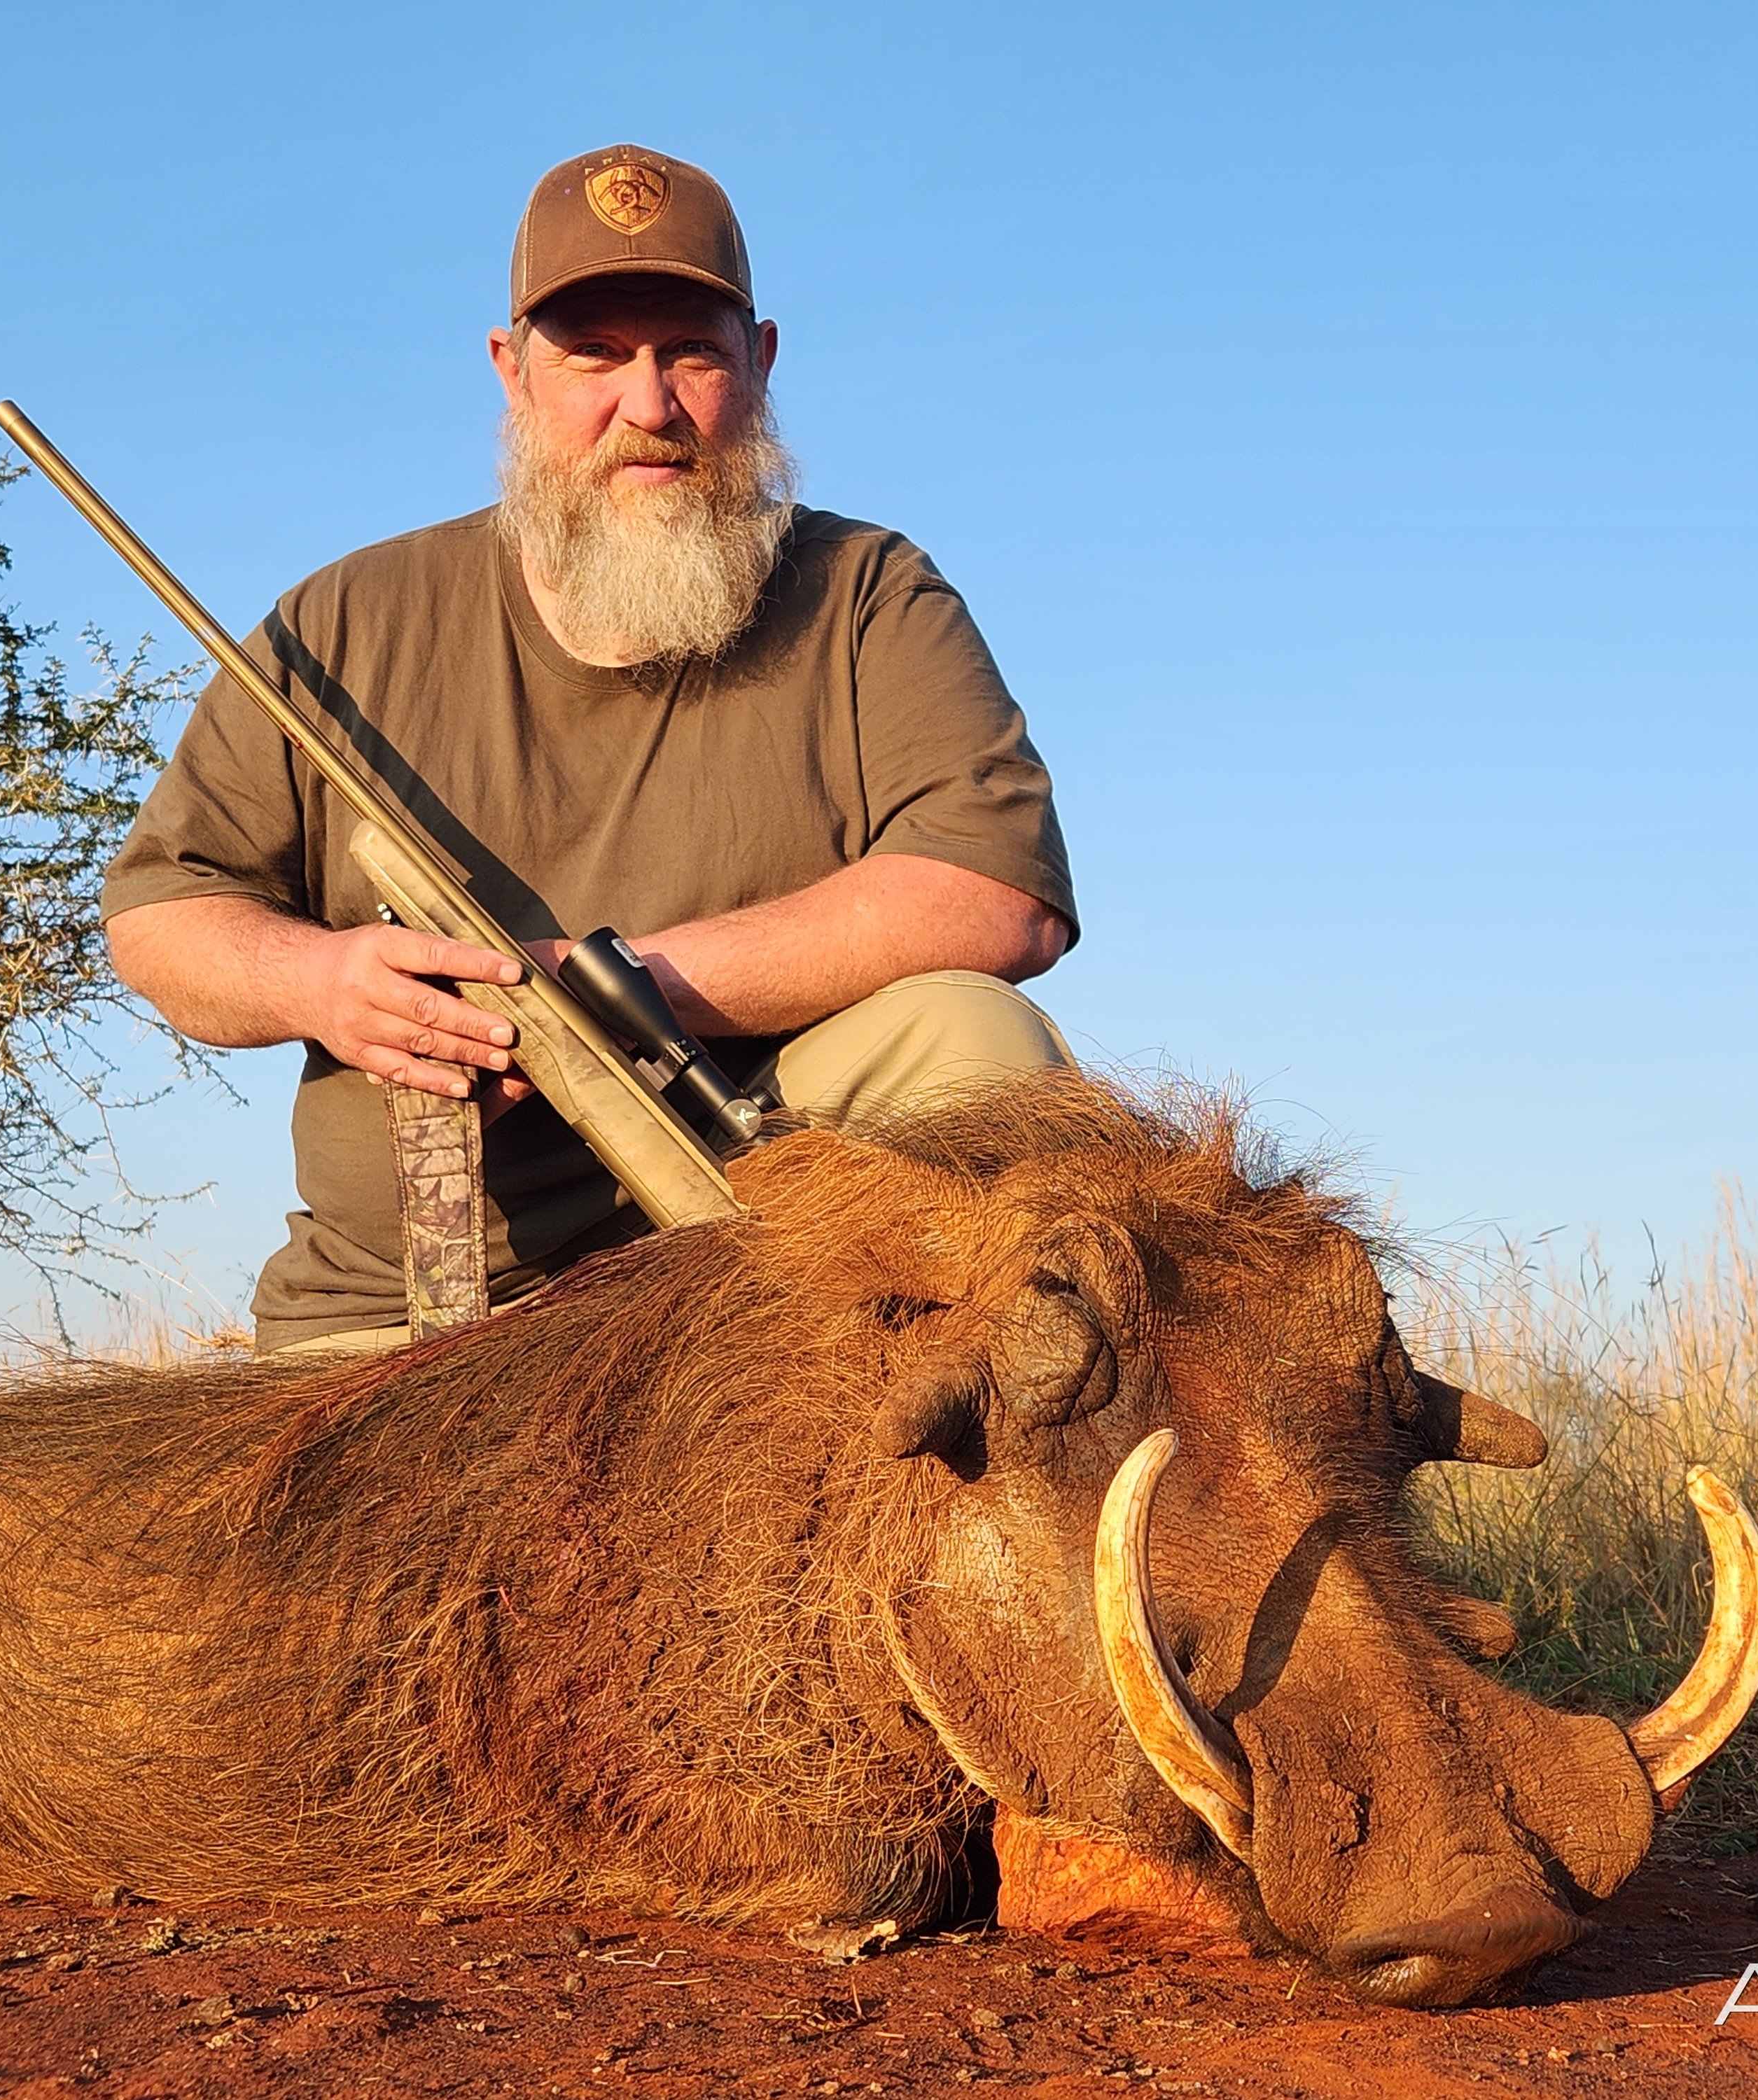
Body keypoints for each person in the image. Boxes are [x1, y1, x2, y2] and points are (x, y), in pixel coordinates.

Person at [100, 146, 1078, 1352]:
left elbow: (995, 893)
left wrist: (607, 988)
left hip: (770, 1214)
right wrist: (321, 982)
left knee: (972, 1034)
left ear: (761, 364)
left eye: (693, 352)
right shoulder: (339, 621)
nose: (651, 406)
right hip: (411, 1306)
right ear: (513, 372)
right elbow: (159, 915)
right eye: (596, 355)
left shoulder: (868, 588)